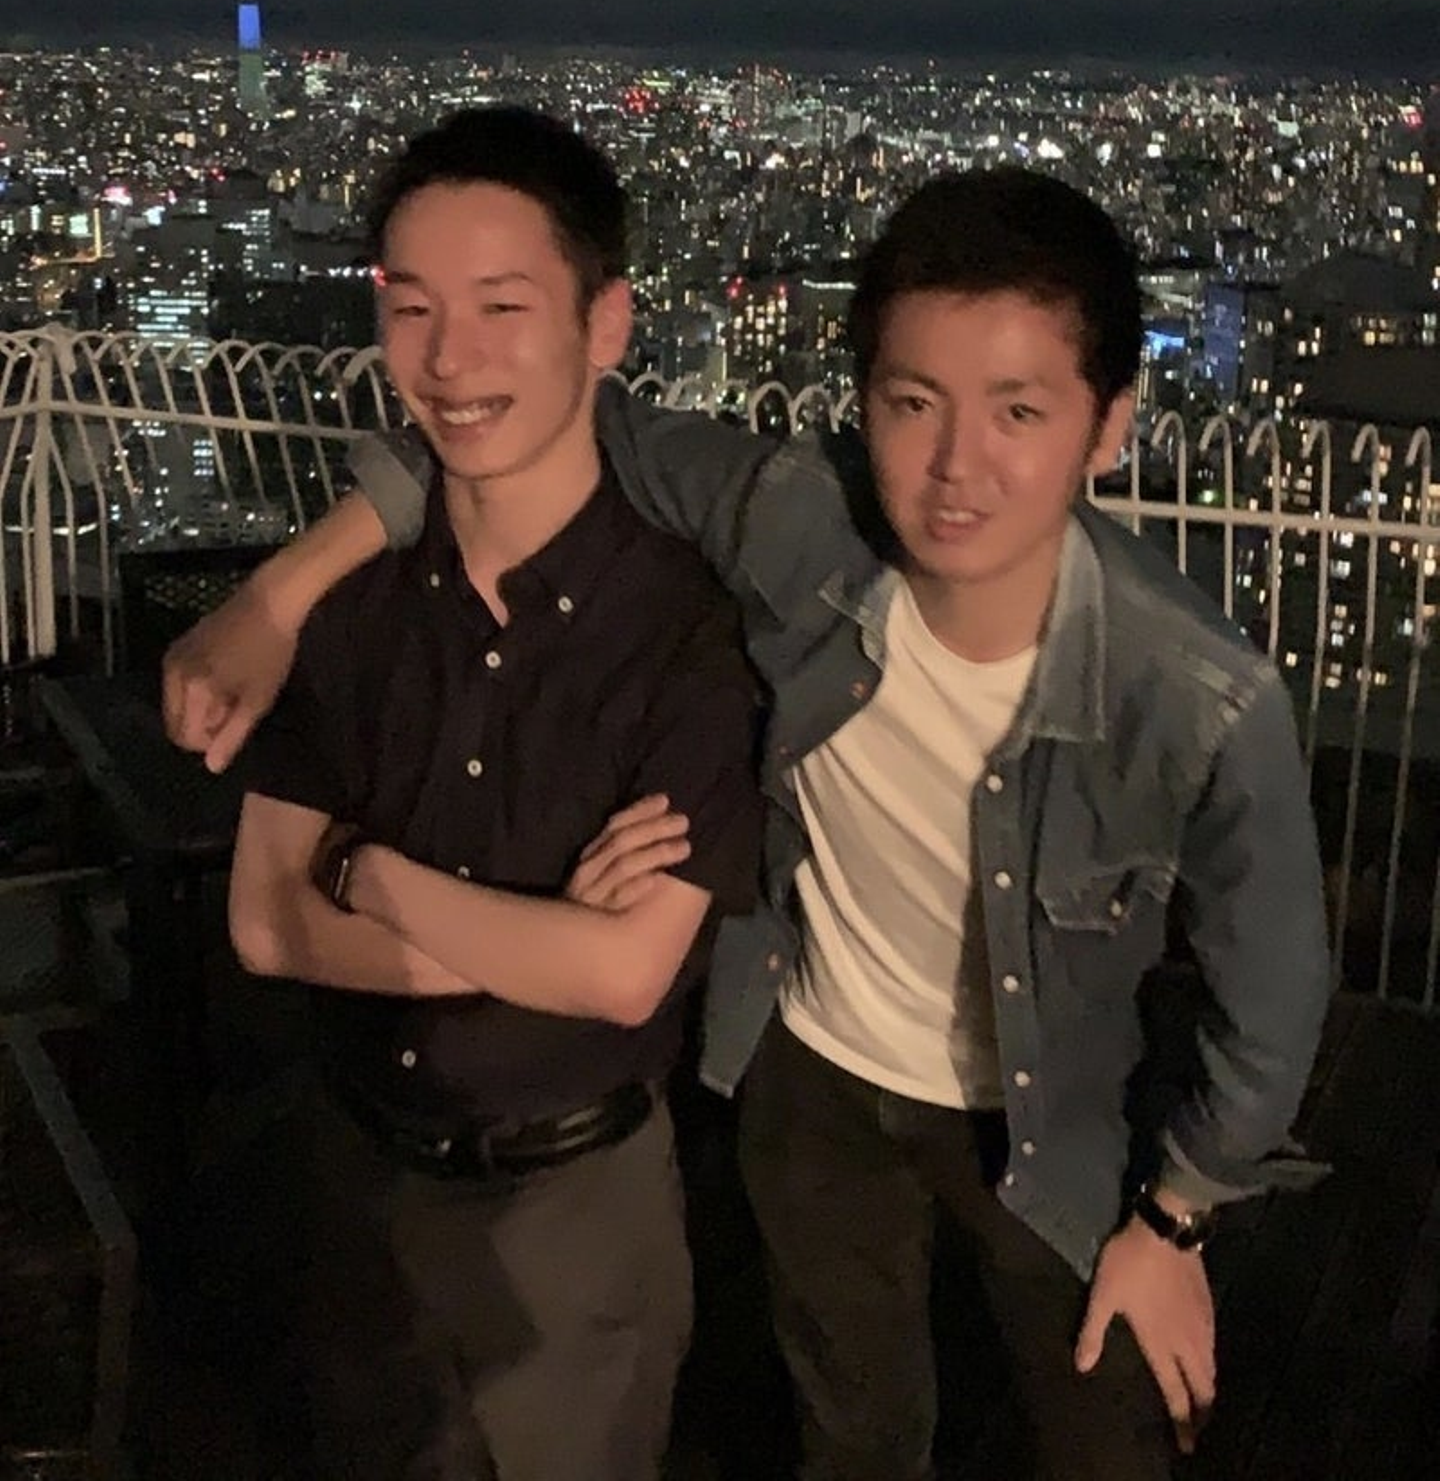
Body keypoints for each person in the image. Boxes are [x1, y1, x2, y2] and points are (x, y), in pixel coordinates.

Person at [171, 166, 1329, 1481]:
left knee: (1099, 1438)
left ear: (1107, 425)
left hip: (1056, 1115)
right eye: (913, 403)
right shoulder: (796, 522)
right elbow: (530, 420)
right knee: (854, 1432)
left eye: (1020, 411)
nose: (957, 465)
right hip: (814, 1075)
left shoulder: (1197, 698)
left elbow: (1274, 996)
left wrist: (1175, 1222)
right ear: (861, 401)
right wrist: (277, 597)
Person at [225, 105, 761, 1481]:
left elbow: (626, 979)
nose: (449, 358)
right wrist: (539, 939)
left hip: (579, 1219)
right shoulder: (351, 615)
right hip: (360, 1190)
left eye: (503, 307)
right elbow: (264, 927)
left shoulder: (684, 635)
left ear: (605, 324)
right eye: (412, 309)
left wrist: (368, 874)